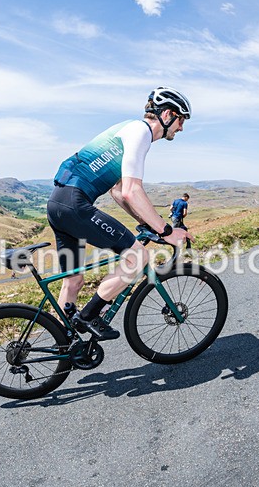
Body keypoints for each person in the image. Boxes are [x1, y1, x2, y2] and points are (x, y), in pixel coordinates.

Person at [47, 86, 193, 340]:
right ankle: (89, 316)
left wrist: (145, 223)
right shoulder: (141, 132)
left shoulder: (129, 129)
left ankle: (65, 345)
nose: (181, 128)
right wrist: (166, 231)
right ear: (168, 115)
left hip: (59, 204)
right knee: (138, 257)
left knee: (73, 282)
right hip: (74, 204)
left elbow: (117, 191)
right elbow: (131, 191)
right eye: (181, 120)